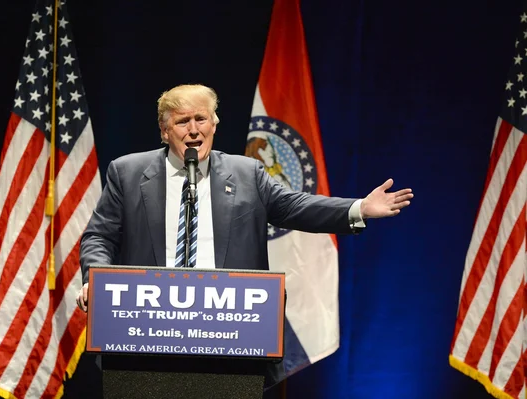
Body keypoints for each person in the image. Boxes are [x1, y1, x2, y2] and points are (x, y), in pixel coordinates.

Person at [76, 83, 412, 385]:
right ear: (165, 132)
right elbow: (99, 236)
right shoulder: (129, 172)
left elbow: (296, 207)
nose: (194, 129)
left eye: (201, 119)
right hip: (147, 341)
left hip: (228, 341)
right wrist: (95, 281)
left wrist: (358, 209)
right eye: (182, 122)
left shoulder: (247, 173)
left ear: (214, 124)